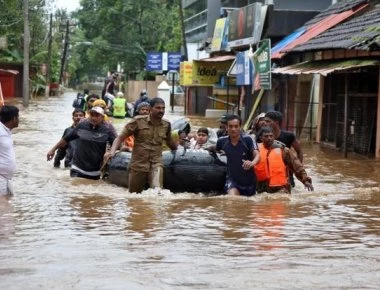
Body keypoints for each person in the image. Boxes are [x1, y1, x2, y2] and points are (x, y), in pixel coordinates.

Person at [106, 97, 177, 193]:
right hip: (138, 164)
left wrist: (179, 149)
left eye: (163, 108)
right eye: (158, 108)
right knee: (134, 195)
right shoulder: (137, 121)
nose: (161, 110)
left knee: (157, 192)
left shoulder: (166, 124)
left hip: (156, 163)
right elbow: (120, 138)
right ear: (151, 109)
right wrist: (112, 152)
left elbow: (169, 142)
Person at [47, 106, 117, 180]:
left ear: (102, 117)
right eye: (92, 115)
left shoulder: (107, 130)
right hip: (77, 168)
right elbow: (66, 139)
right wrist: (53, 149)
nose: (93, 118)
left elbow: (116, 144)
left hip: (95, 171)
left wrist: (112, 152)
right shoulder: (81, 126)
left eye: (97, 116)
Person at [208, 114, 260, 196]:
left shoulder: (248, 140)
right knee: (233, 200)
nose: (233, 129)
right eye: (230, 126)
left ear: (240, 127)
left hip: (249, 182)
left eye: (236, 126)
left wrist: (252, 163)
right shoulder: (221, 141)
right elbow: (215, 149)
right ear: (226, 127)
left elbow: (257, 155)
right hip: (232, 181)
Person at [254, 126, 313, 194]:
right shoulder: (255, 151)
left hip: (281, 189)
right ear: (261, 138)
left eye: (271, 136)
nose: (269, 138)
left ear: (274, 137)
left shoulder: (284, 151)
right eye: (266, 136)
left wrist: (305, 180)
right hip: (261, 188)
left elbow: (297, 166)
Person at [264, 111, 303, 187]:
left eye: (268, 121)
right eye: (264, 121)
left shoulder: (288, 136)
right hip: (269, 173)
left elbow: (299, 151)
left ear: (276, 122)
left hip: (286, 174)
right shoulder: (262, 136)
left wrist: (297, 168)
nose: (265, 123)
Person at [0, 105, 19, 196]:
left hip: (7, 178)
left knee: (8, 206)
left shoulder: (6, 131)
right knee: (3, 207)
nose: (19, 120)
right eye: (18, 117)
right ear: (14, 119)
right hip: (1, 177)